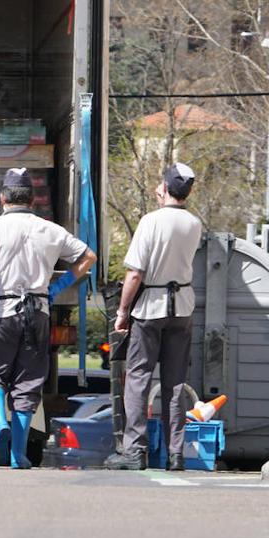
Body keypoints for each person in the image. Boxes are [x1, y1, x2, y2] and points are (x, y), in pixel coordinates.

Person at [0, 167, 98, 468]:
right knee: (28, 383)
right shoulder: (50, 229)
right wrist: (60, 284)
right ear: (32, 200)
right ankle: (18, 454)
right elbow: (89, 257)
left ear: (3, 197)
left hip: (2, 311)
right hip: (39, 312)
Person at [110, 162, 203, 471]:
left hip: (150, 306)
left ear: (164, 188)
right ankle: (176, 453)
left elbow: (135, 273)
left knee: (137, 378)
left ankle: (135, 451)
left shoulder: (151, 222)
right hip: (182, 308)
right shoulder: (194, 223)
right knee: (174, 383)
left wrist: (123, 312)